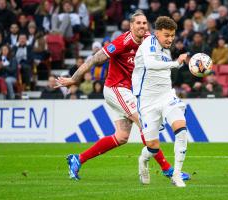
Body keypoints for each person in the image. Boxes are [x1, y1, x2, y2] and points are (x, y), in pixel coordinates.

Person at [55, 11, 189, 181]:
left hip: (130, 91)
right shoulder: (122, 43)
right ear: (131, 26)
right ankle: (167, 169)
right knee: (144, 121)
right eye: (138, 23)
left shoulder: (149, 40)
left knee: (121, 137)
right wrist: (73, 79)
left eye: (144, 23)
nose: (142, 26)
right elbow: (94, 59)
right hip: (116, 88)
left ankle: (78, 159)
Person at [132, 16, 188, 187]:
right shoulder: (148, 43)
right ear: (156, 33)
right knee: (153, 147)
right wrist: (176, 64)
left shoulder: (166, 49)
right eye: (166, 35)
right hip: (147, 101)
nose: (170, 39)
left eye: (172, 35)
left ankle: (176, 175)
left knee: (181, 130)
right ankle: (142, 161)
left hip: (166, 97)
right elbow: (150, 64)